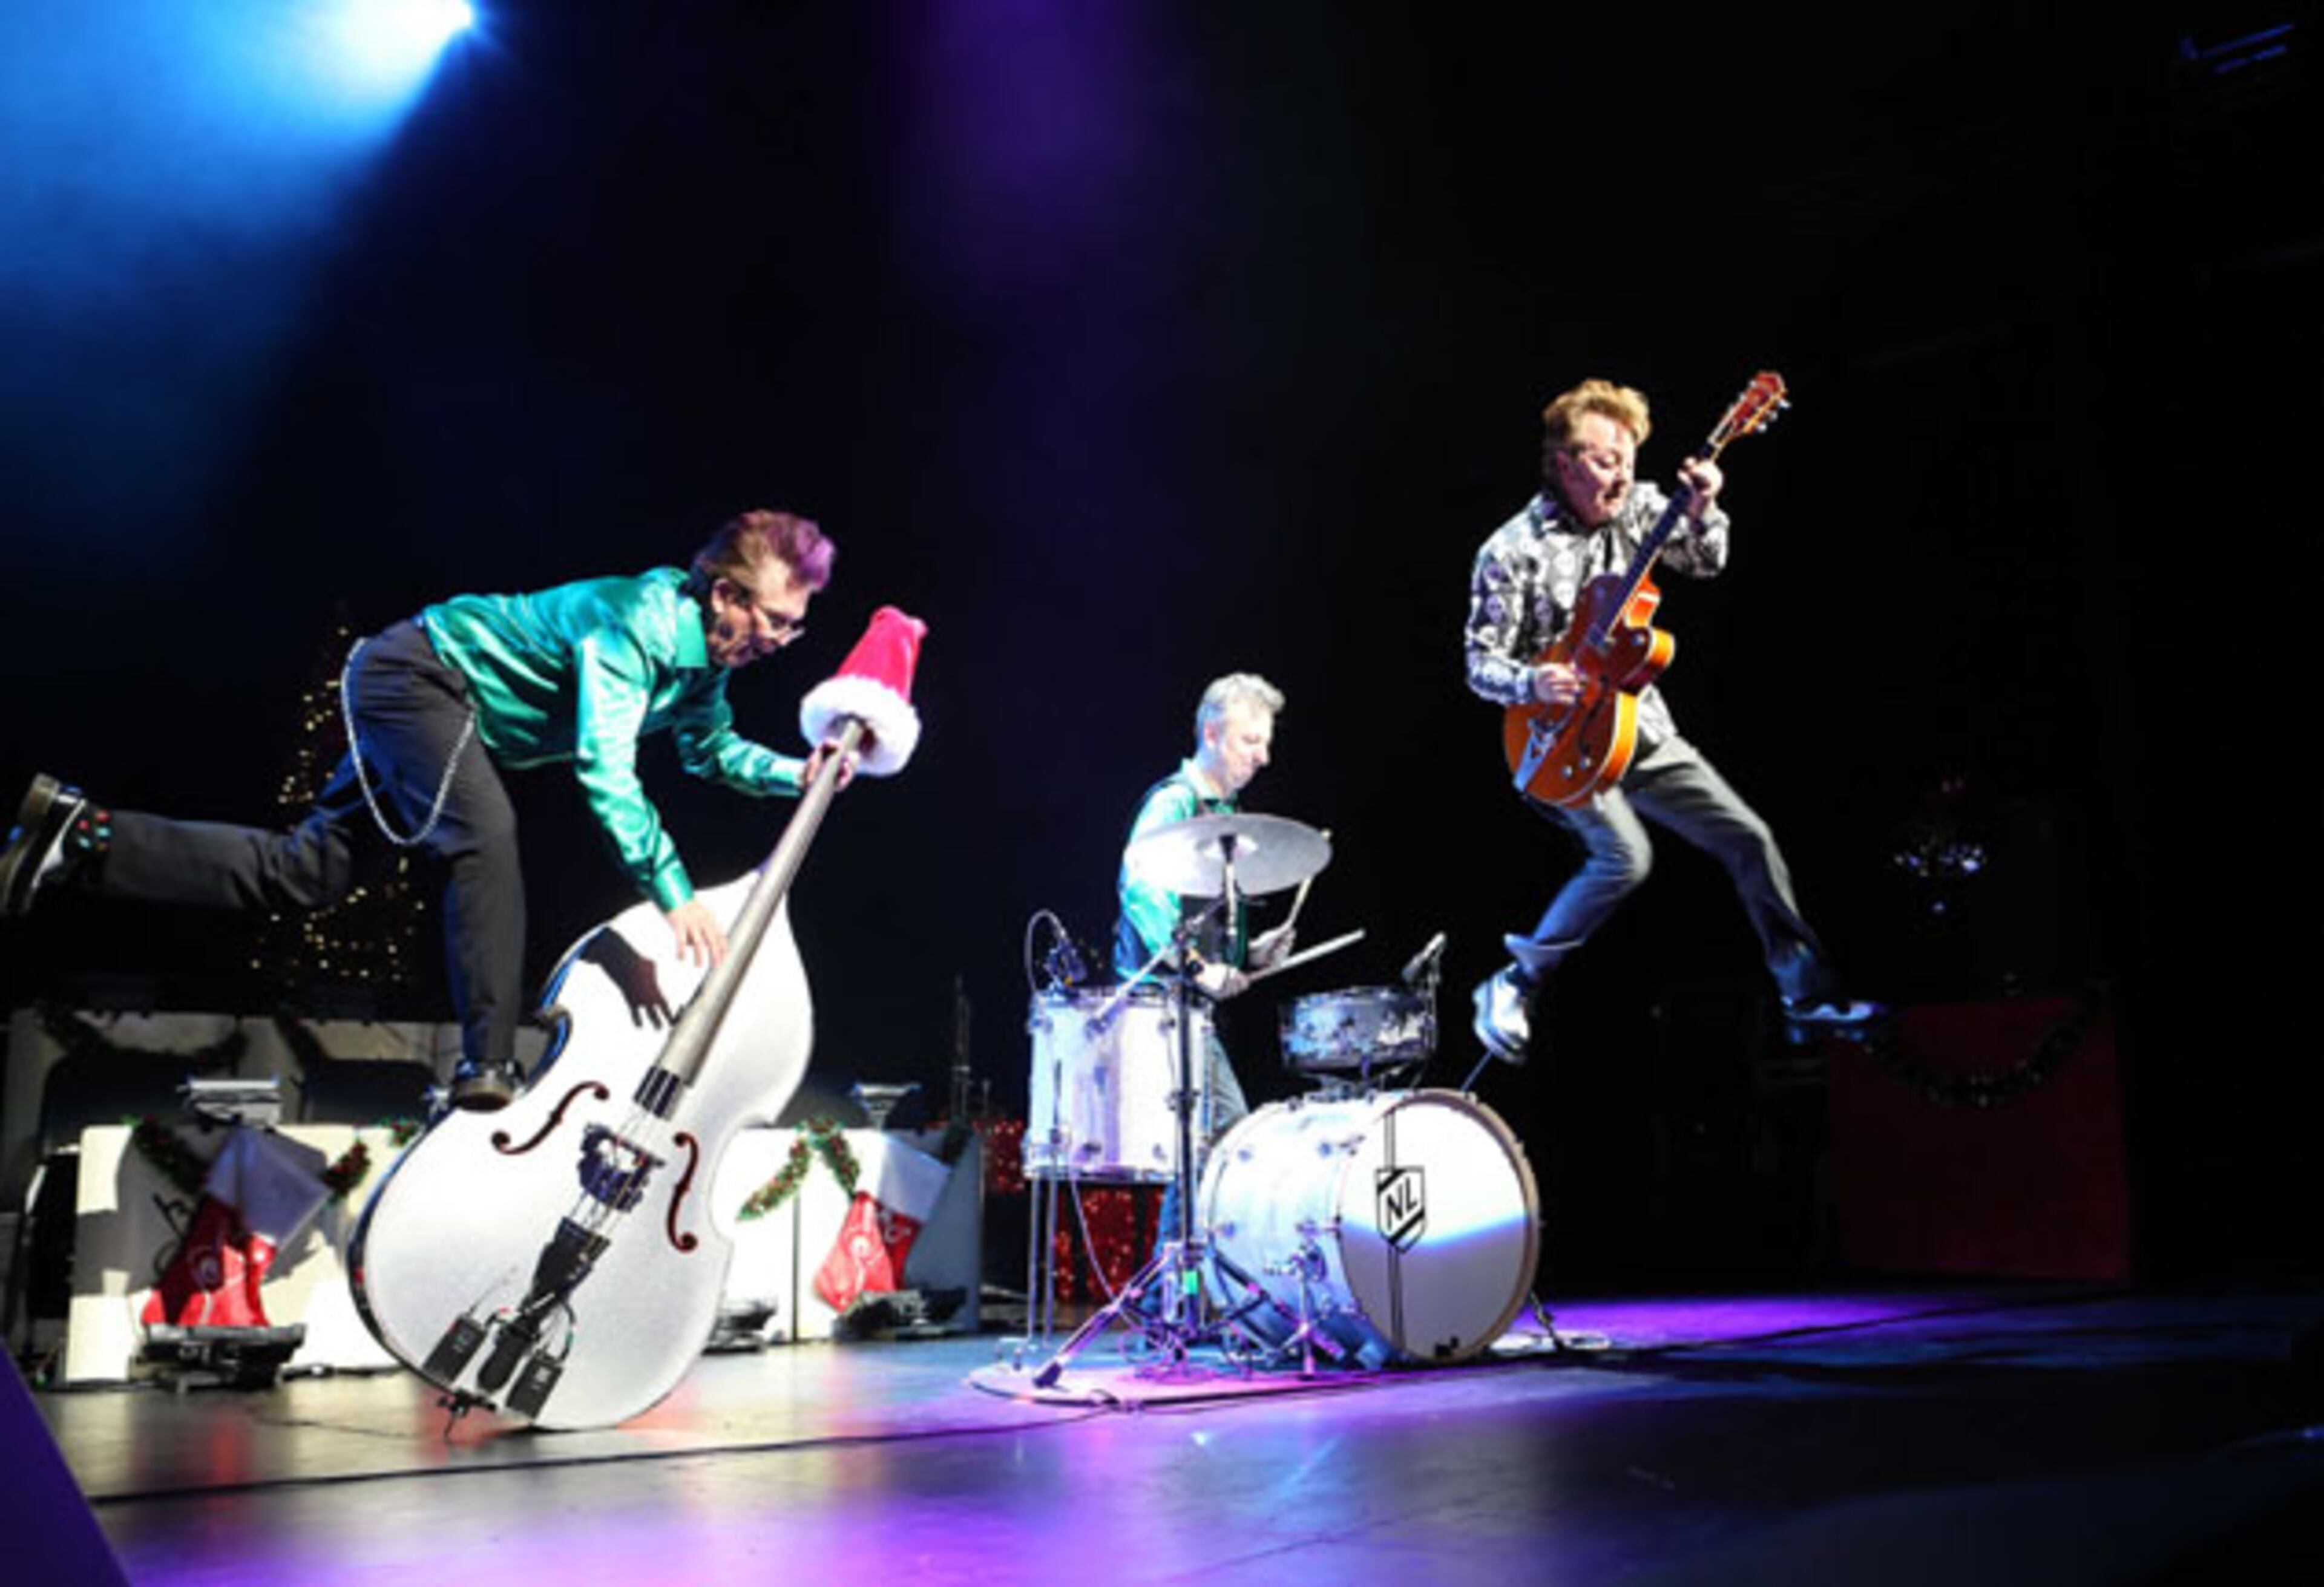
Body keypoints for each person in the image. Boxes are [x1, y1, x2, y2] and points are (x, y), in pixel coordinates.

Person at [0, 508, 855, 1111]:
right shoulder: (632, 623)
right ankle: (488, 1065)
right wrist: (673, 892)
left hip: (442, 714)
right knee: (485, 837)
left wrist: (801, 773)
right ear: (725, 594)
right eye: (777, 620)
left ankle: (85, 836)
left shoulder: (703, 667)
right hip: (419, 678)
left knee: (307, 872)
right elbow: (605, 769)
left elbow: (711, 751)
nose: (781, 641)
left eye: (795, 628)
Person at [1463, 378, 1873, 1064]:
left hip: (1635, 724)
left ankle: (1805, 996)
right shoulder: (1509, 551)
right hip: (1554, 739)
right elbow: (1479, 663)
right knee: (1626, 856)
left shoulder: (1640, 509)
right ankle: (1515, 981)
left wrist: (1705, 505)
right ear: (1564, 463)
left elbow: (1707, 562)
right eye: (1604, 461)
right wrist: (1532, 680)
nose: (1621, 476)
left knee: (1748, 837)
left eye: (1628, 460)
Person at [1112, 673, 1293, 1266]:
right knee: (1223, 1134)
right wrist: (1196, 967)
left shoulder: (1224, 814)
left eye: (1266, 743)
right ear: (1212, 734)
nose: (1263, 757)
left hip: (1190, 1008)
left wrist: (1251, 953)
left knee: (1202, 1144)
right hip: (1159, 1007)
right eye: (1250, 741)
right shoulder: (1173, 804)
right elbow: (1142, 895)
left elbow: (1202, 924)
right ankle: (1176, 1289)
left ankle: (1178, 1290)